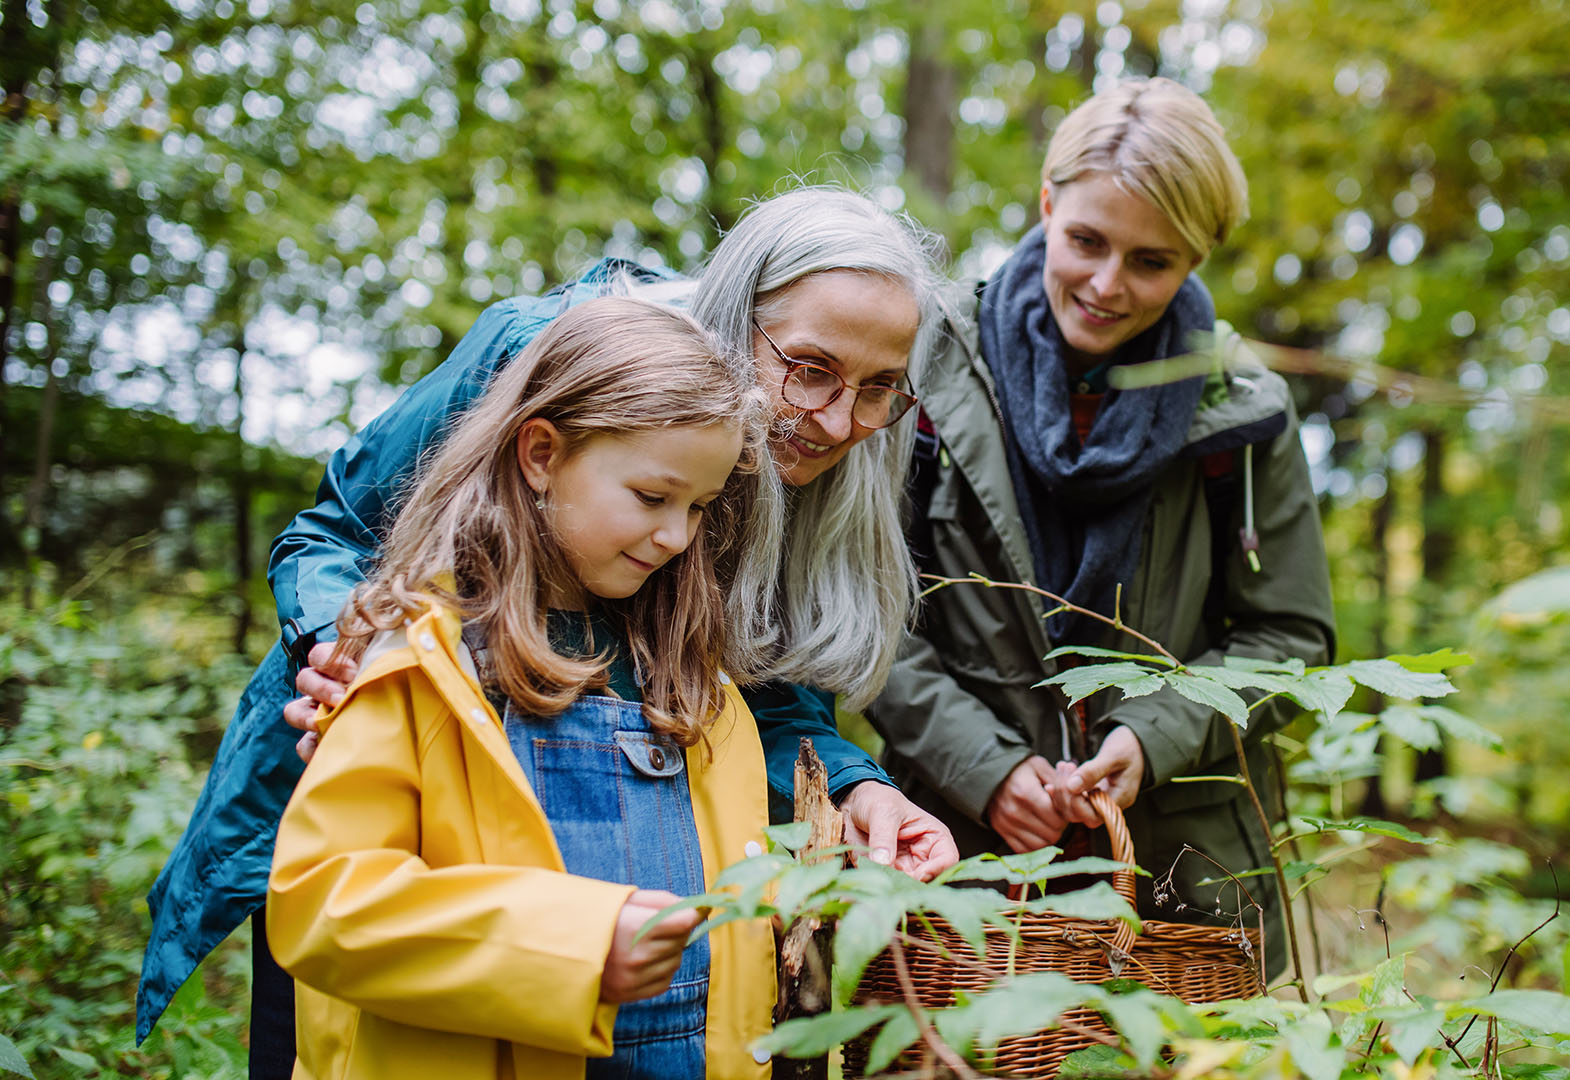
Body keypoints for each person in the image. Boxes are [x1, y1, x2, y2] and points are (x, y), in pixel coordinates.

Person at [137, 189, 960, 1070]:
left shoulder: (795, 472)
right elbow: (334, 535)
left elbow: (761, 686)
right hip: (399, 801)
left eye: (880, 388)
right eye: (811, 369)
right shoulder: (550, 357)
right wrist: (354, 652)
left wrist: (851, 788)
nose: (840, 421)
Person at [868, 79, 1336, 974]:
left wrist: (1152, 739)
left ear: (1196, 258)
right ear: (1047, 205)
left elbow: (1290, 637)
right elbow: (869, 613)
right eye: (1085, 241)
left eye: (1152, 261)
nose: (1107, 284)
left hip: (1181, 884)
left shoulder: (1242, 410)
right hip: (960, 862)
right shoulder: (925, 368)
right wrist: (983, 767)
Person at [268, 296, 775, 1079]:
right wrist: (574, 947)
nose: (677, 536)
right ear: (541, 453)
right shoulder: (421, 660)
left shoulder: (697, 685)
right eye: (652, 497)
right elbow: (323, 903)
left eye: (700, 508)